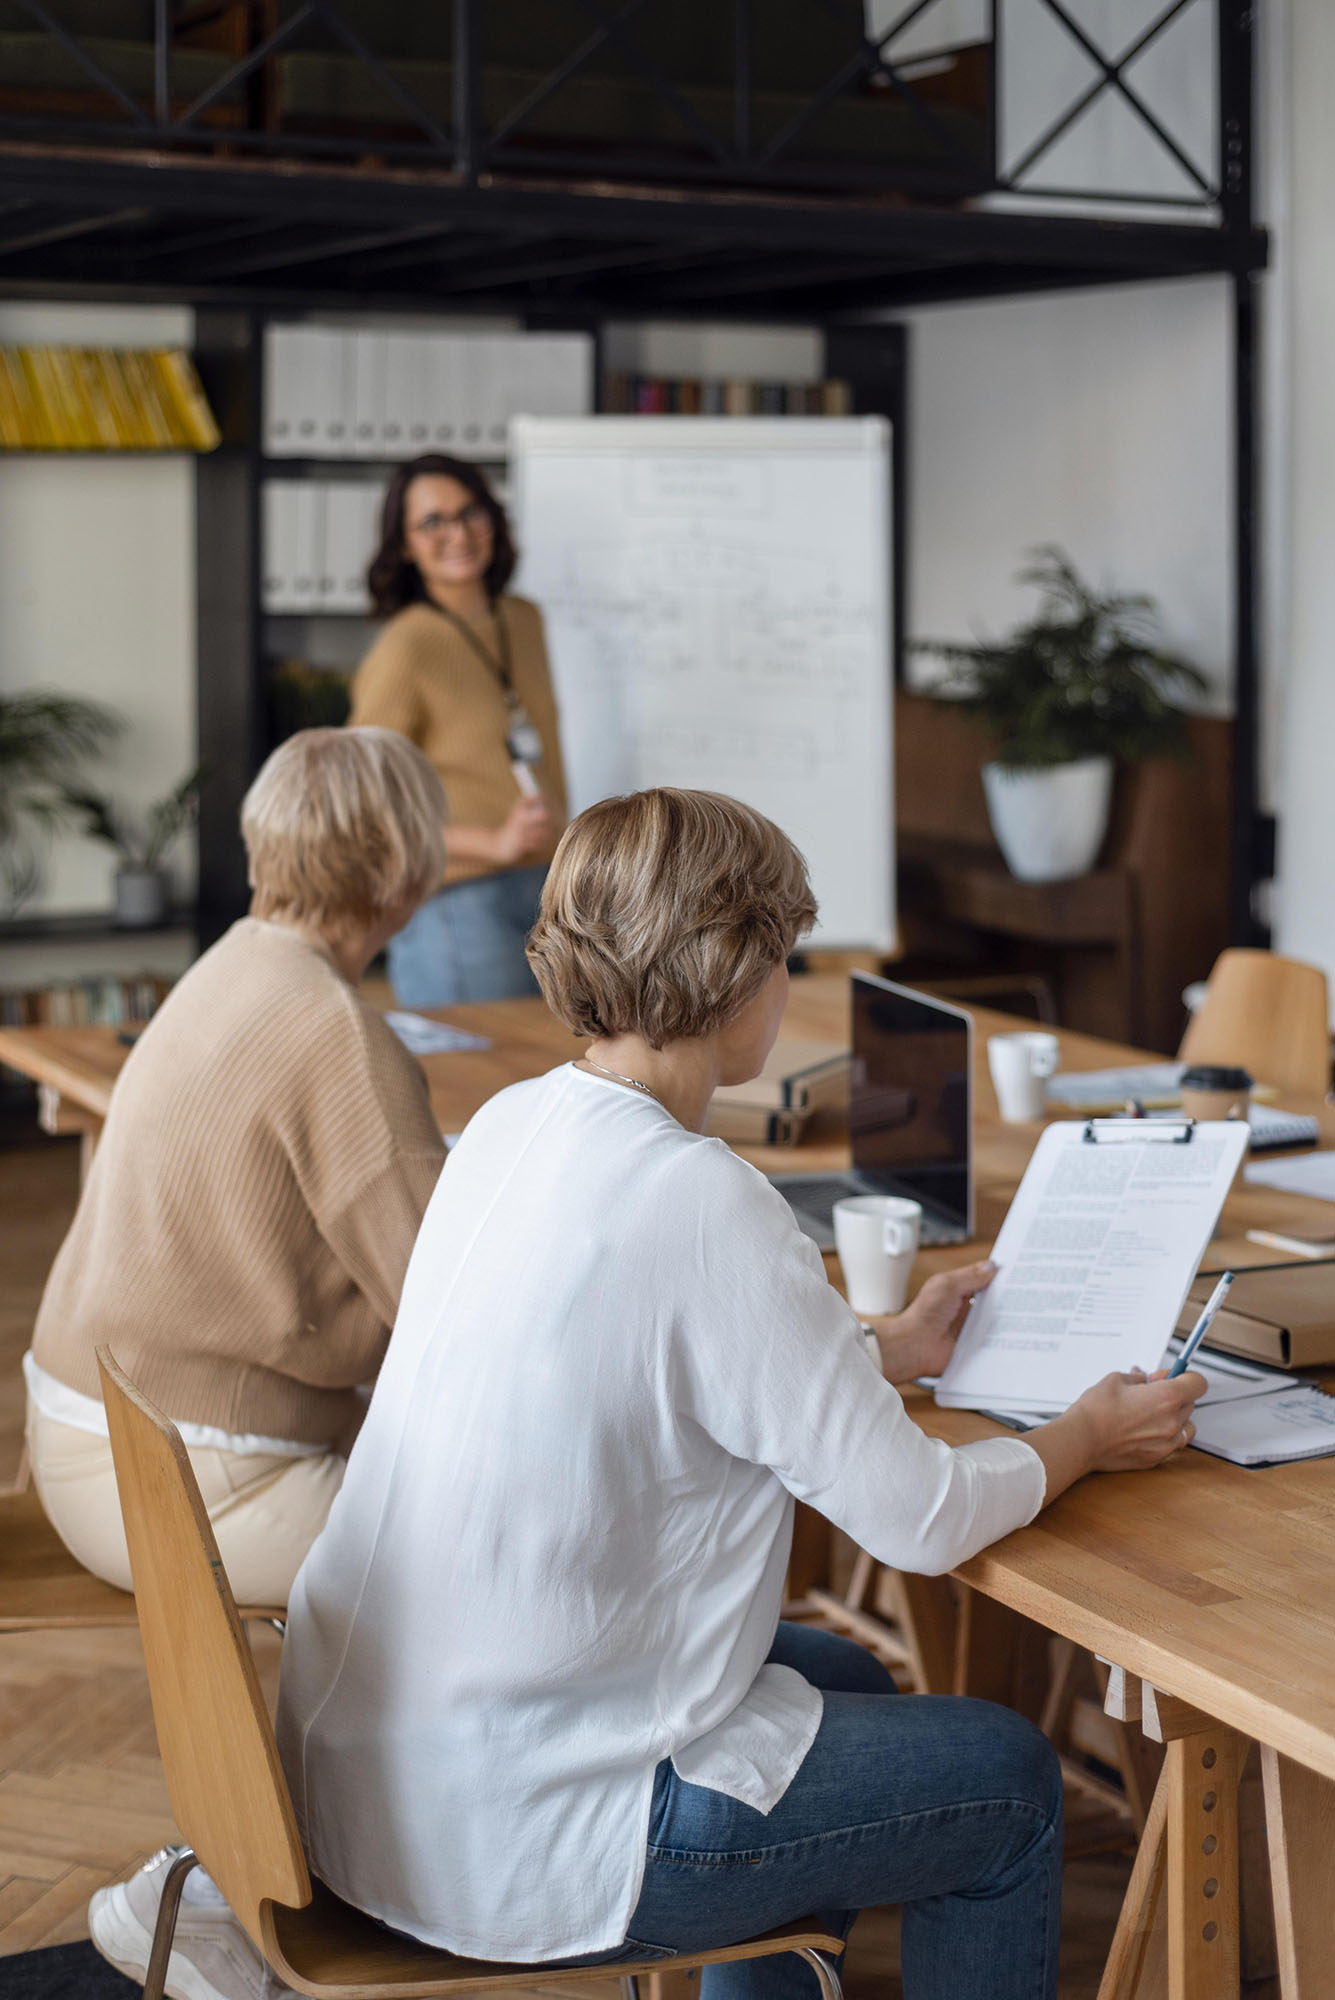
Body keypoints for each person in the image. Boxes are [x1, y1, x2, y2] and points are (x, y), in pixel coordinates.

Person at [276, 788, 1206, 1999]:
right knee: (1010, 1781)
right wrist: (1088, 1432)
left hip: (372, 1765)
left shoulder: (513, 1123)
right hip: (523, 1830)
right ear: (735, 969)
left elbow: (654, 1363)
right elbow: (918, 1521)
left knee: (852, 1681)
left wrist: (881, 1350)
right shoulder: (706, 1198)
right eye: (784, 950)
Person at [25, 726, 449, 1612]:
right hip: (184, 1480)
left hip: (89, 1437)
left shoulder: (230, 963)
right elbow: (449, 1309)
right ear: (407, 868)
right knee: (520, 1570)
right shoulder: (341, 1037)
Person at [348, 453, 568, 1007]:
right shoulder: (407, 646)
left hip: (551, 895)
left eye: (470, 513)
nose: (458, 533)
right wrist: (492, 843)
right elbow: (361, 809)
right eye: (433, 522)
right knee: (476, 1087)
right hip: (457, 907)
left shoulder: (523, 619)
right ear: (404, 545)